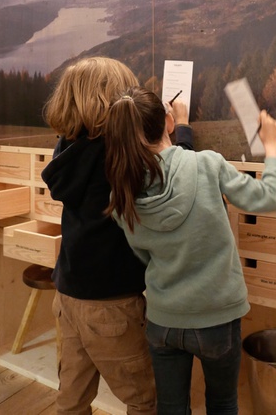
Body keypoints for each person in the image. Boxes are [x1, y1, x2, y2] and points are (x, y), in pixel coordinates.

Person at [103, 86, 276, 415]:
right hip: (217, 316)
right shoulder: (207, 164)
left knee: (171, 409)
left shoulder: (122, 196)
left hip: (163, 320)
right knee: (223, 404)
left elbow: (143, 256)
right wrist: (271, 145)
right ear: (169, 122)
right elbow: (269, 197)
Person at [41, 56, 193, 415]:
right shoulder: (118, 155)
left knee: (71, 399)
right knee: (146, 400)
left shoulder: (65, 149)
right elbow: (177, 177)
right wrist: (181, 129)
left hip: (68, 296)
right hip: (113, 306)